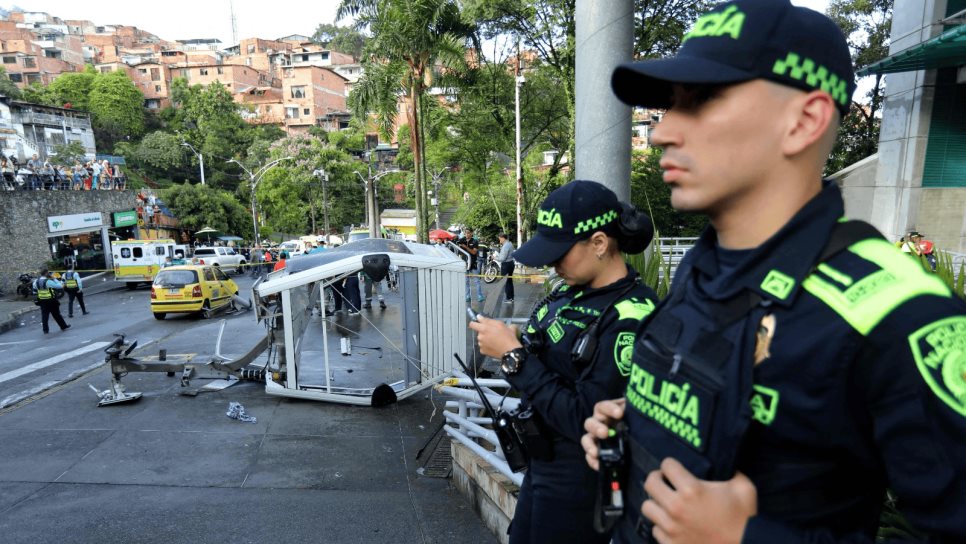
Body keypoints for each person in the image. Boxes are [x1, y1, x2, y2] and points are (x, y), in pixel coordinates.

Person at [581, 1, 966, 543]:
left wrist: (747, 537)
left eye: (702, 100)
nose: (663, 131)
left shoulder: (898, 314)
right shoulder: (706, 261)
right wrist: (642, 423)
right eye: (669, 104)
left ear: (804, 120)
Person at [469, 180, 657, 544]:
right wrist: (513, 348)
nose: (554, 264)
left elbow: (589, 418)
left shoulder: (632, 316)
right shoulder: (567, 295)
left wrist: (514, 356)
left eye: (561, 252)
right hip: (540, 468)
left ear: (600, 243)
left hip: (582, 484)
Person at [33, 268, 70, 334]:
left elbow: (34, 291)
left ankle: (45, 330)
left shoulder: (36, 281)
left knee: (44, 315)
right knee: (56, 314)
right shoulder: (48, 281)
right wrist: (54, 279)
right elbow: (60, 286)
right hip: (51, 300)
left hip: (42, 301)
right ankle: (63, 326)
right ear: (46, 273)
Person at [458, 227, 485, 303]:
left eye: (469, 232)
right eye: (466, 232)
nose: (467, 234)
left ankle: (480, 295)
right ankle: (468, 296)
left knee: (477, 281)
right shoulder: (462, 240)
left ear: (471, 233)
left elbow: (474, 252)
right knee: (466, 281)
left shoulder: (475, 241)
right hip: (465, 264)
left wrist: (466, 247)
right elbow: (457, 245)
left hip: (473, 263)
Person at [495, 232, 515, 303]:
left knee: (506, 282)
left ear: (503, 238)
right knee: (509, 281)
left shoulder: (506, 246)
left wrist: (495, 257)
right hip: (511, 263)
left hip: (506, 265)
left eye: (500, 239)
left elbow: (502, 258)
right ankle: (511, 298)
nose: (499, 240)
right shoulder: (510, 244)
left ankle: (509, 298)